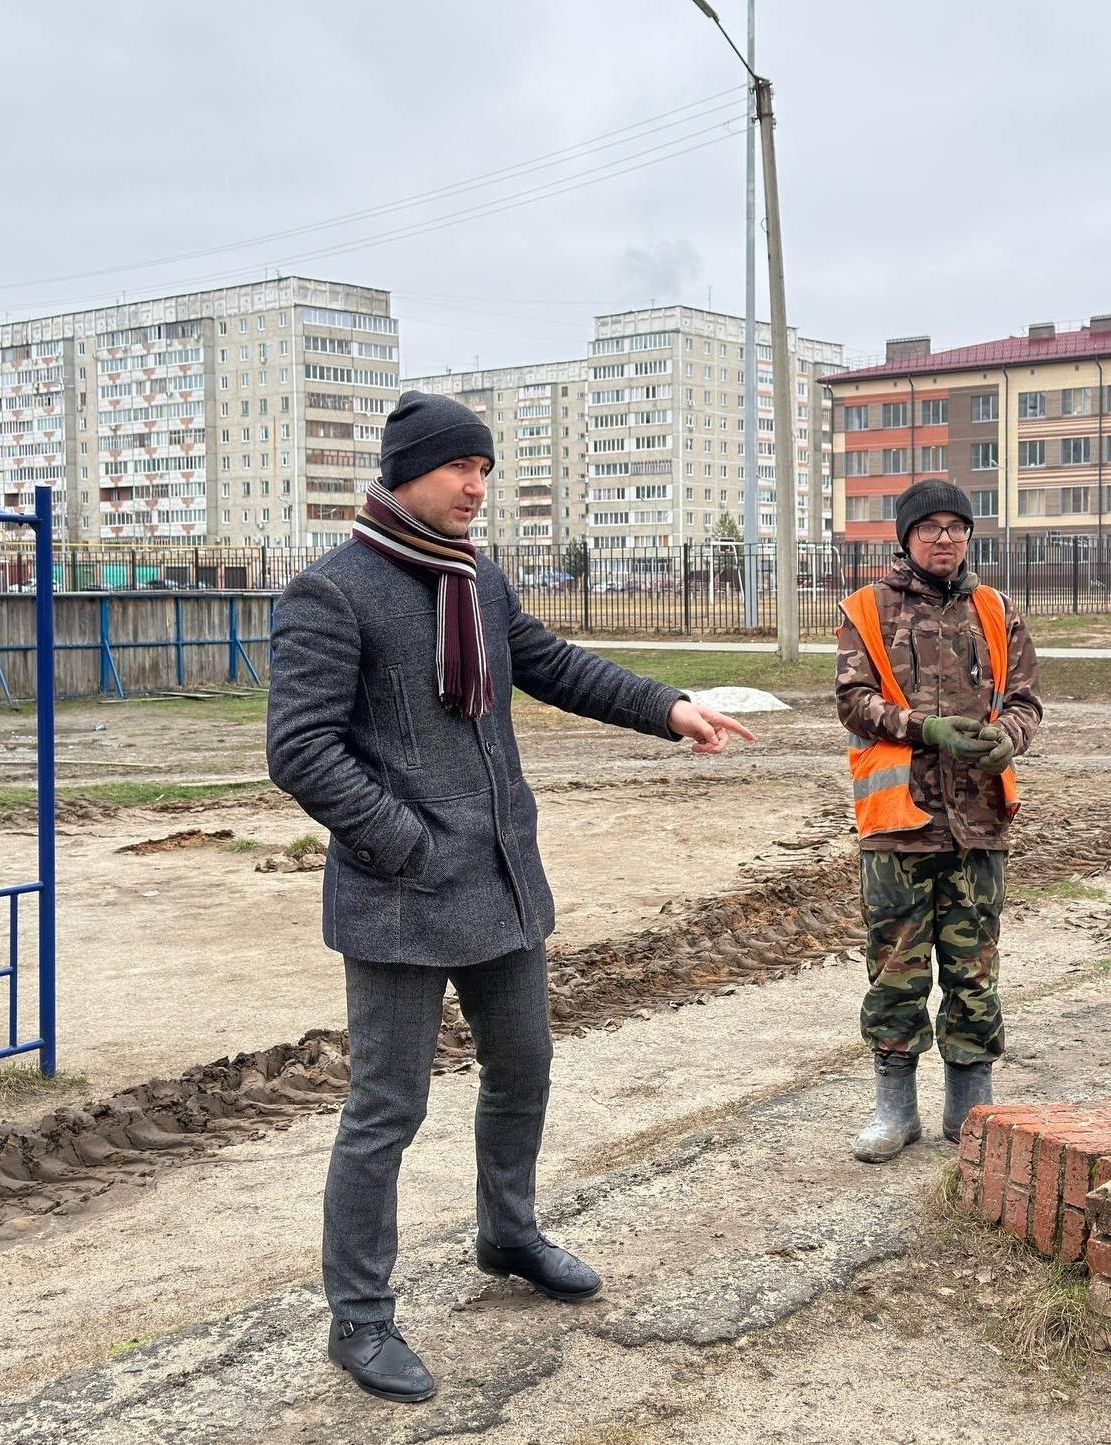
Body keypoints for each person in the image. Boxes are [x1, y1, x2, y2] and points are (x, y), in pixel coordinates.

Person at [267, 391, 755, 1404]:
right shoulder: (333, 591)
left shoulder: (476, 579)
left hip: (500, 884)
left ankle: (508, 1230)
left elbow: (552, 665)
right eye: (461, 467)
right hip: (401, 896)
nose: (477, 485)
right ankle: (360, 1321)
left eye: (485, 468)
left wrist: (668, 707)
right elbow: (300, 749)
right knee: (385, 1111)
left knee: (522, 1070)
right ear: (407, 472)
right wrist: (405, 838)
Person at [833, 478, 1042, 1163]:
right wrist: (926, 728)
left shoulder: (997, 609)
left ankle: (971, 1111)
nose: (944, 538)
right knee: (896, 970)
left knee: (974, 969)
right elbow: (854, 702)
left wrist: (1010, 734)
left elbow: (1026, 701)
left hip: (978, 823)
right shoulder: (866, 609)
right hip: (899, 824)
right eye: (930, 527)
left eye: (956, 526)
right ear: (906, 537)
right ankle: (895, 1112)